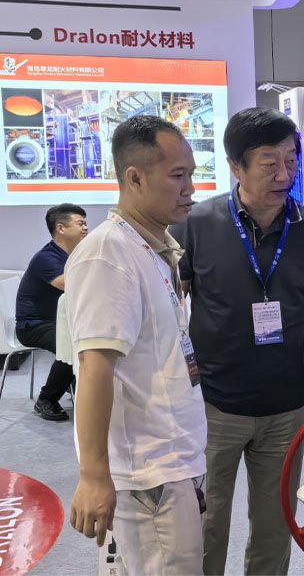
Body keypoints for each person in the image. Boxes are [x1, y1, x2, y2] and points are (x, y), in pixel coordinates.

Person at [169, 107, 304, 575]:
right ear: (236, 166)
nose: (284, 175)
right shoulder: (196, 223)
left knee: (274, 524)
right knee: (205, 522)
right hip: (213, 405)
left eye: (291, 160)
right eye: (269, 163)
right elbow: (172, 301)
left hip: (285, 403)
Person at [65, 115, 205, 573]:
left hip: (168, 465)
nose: (190, 188)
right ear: (135, 177)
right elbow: (95, 367)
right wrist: (93, 475)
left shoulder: (151, 248)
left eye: (191, 174)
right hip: (148, 475)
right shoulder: (109, 254)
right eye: (177, 176)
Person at [15, 203, 87, 421]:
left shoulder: (74, 254)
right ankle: (46, 399)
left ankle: (75, 385)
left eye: (85, 223)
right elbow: (69, 285)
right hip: (33, 326)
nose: (86, 228)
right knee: (73, 345)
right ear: (61, 228)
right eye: (80, 223)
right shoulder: (46, 258)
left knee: (87, 337)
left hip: (59, 322)